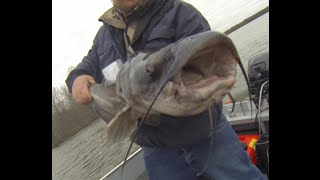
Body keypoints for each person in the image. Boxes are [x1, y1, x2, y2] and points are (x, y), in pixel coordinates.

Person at [65, 0, 266, 179]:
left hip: (206, 134)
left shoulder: (178, 12)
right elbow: (86, 66)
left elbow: (202, 63)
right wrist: (77, 78)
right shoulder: (103, 37)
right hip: (157, 149)